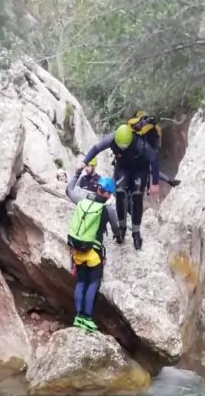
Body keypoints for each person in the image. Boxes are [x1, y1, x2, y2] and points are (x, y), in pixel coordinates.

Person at [82, 115, 179, 251]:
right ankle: (122, 229)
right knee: (120, 193)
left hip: (140, 169)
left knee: (137, 196)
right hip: (122, 168)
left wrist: (155, 183)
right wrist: (84, 161)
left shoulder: (140, 143)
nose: (122, 149)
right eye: (120, 147)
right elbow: (96, 148)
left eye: (125, 147)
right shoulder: (113, 138)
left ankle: (136, 233)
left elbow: (154, 162)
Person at [65, 166, 119, 332]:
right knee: (93, 283)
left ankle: (78, 317)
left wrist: (76, 173)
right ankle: (87, 318)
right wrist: (119, 235)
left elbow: (68, 190)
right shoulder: (107, 209)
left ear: (97, 188)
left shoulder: (82, 201)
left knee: (81, 282)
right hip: (93, 253)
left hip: (78, 252)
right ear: (109, 194)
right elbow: (116, 230)